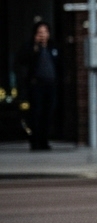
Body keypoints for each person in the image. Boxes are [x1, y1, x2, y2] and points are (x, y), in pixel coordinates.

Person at [26, 20, 59, 151]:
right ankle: (35, 141)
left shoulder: (53, 47)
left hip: (50, 85)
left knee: (48, 113)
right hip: (37, 85)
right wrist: (35, 47)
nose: (43, 35)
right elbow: (24, 60)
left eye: (45, 32)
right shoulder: (31, 47)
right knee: (36, 113)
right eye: (40, 32)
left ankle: (44, 140)